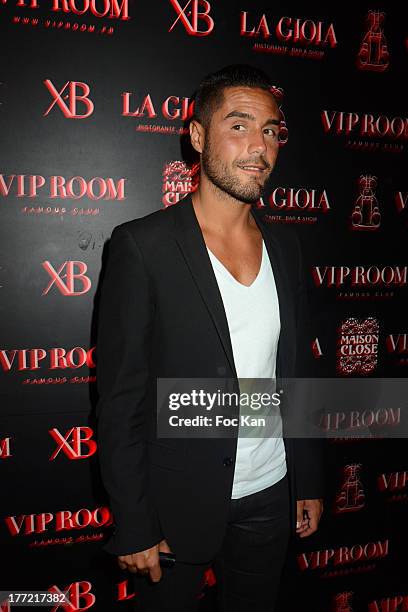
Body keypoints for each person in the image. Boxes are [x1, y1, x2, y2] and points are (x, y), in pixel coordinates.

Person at [95, 64, 324, 612]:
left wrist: (309, 477)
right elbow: (121, 399)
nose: (259, 148)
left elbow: (294, 372)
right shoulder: (141, 247)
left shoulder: (286, 247)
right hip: (175, 503)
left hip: (271, 492)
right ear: (197, 136)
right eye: (239, 126)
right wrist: (134, 521)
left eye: (271, 130)